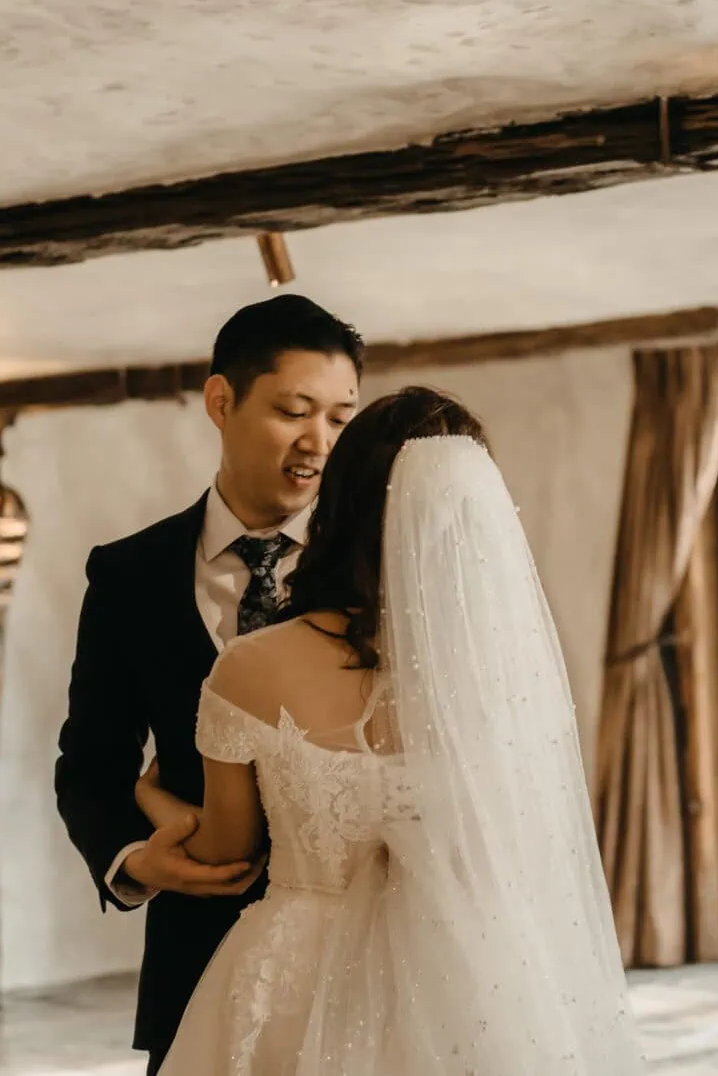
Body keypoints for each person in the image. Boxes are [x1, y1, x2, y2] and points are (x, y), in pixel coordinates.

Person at [143, 386, 646, 1075]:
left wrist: (151, 802)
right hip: (466, 981)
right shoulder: (502, 674)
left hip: (295, 973)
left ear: (340, 505)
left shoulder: (250, 669)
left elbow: (227, 855)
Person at [55, 295, 364, 1072]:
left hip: (360, 961)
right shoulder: (127, 575)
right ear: (221, 401)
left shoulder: (377, 569)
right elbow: (90, 763)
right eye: (294, 410)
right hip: (194, 970)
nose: (318, 442)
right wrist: (135, 858)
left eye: (339, 418)